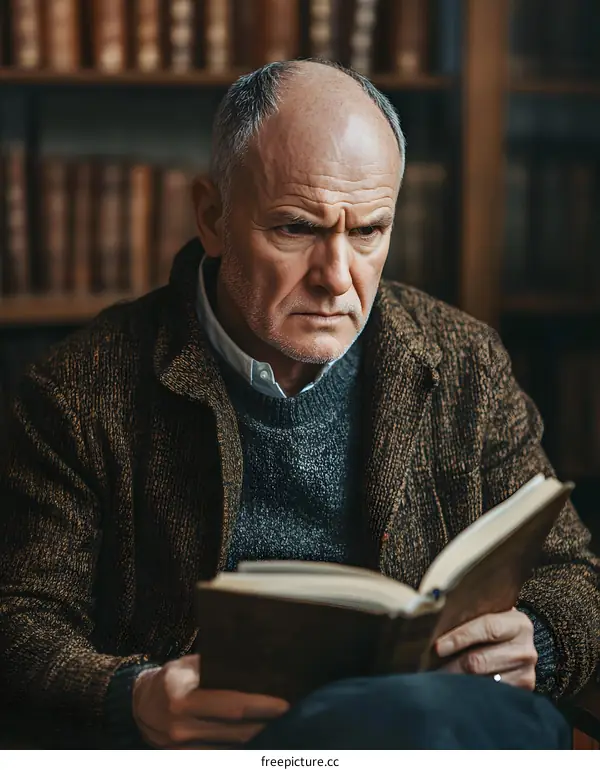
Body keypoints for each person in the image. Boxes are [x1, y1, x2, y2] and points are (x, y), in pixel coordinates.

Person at [0, 60, 597, 750]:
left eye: (369, 231)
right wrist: (131, 695)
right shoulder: (79, 388)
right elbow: (20, 618)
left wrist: (538, 643)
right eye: (296, 228)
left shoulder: (465, 360)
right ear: (213, 218)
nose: (338, 278)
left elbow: (572, 578)